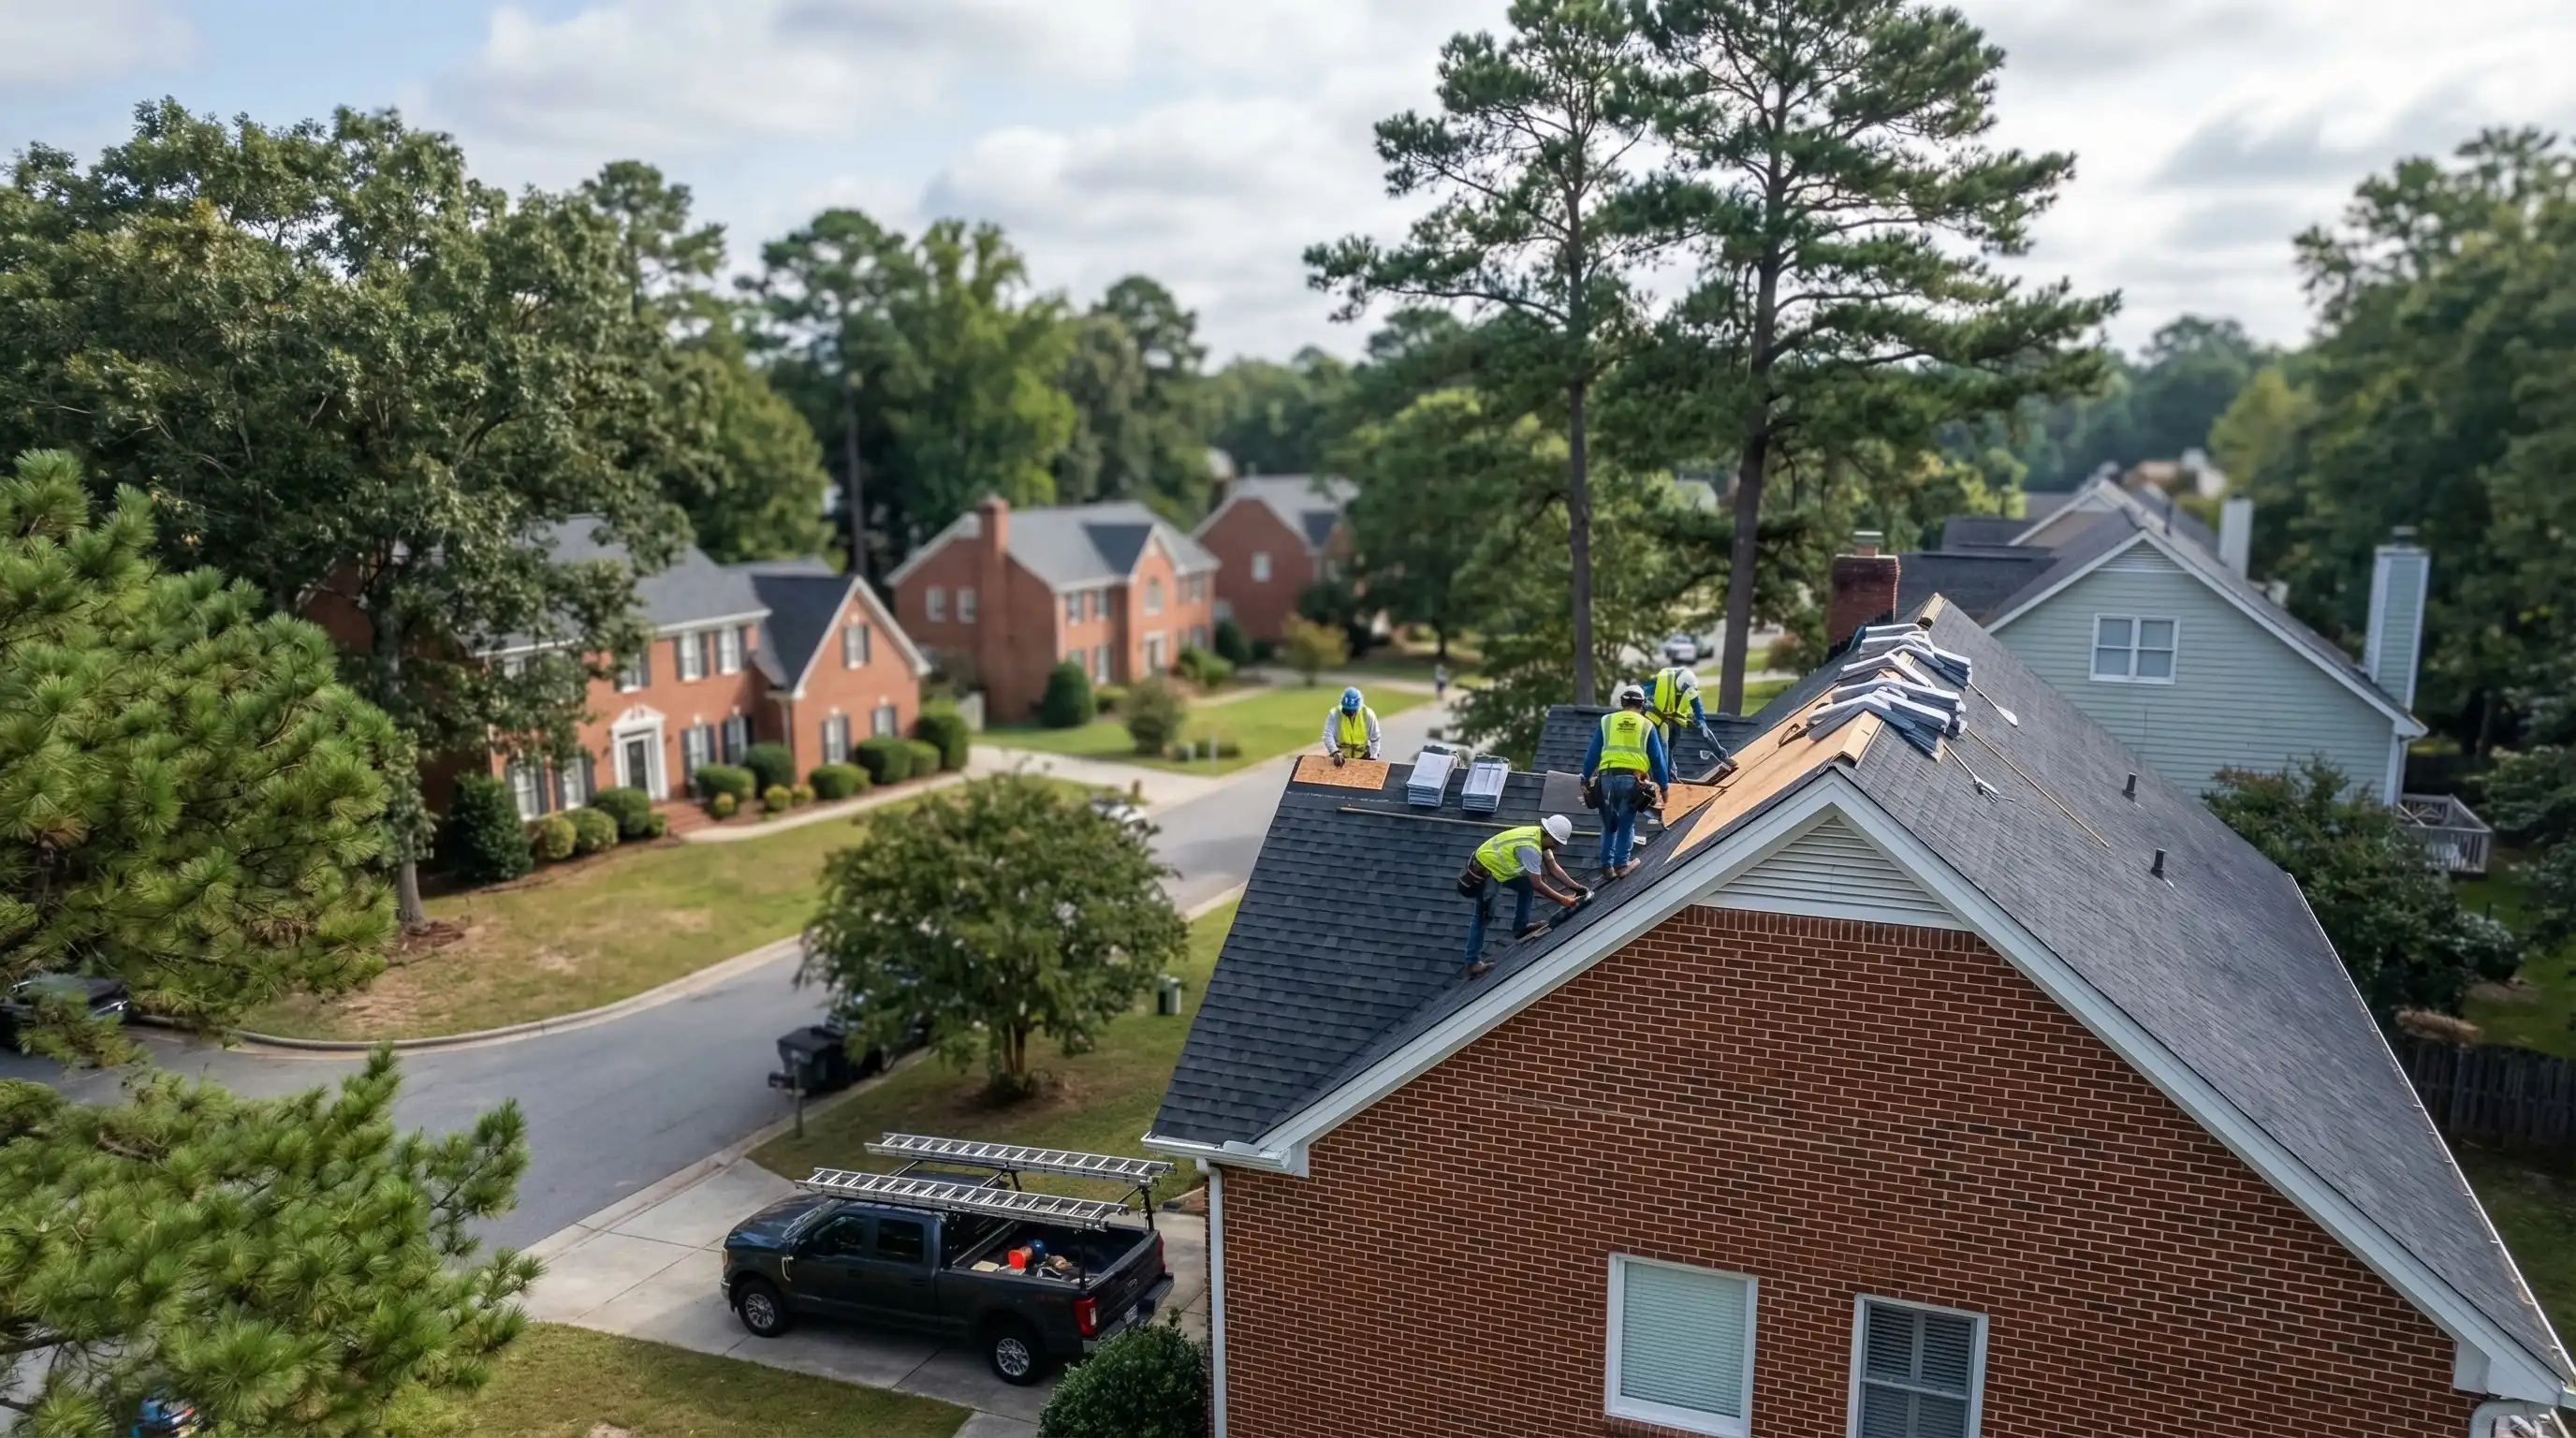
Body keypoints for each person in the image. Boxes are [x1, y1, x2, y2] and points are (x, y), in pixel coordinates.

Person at [1460, 814, 1587, 977]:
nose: (1556, 847)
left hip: (1502, 869)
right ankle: (1472, 963)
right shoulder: (1530, 848)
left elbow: (1554, 868)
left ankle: (1520, 927)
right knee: (1484, 917)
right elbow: (1538, 885)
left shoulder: (1541, 840)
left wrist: (1576, 887)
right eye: (1556, 842)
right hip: (1485, 870)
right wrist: (1564, 900)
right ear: (1547, 834)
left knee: (1526, 887)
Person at [1583, 682, 1669, 878]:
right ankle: (1621, 865)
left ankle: (1607, 867)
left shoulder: (1607, 721)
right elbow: (1657, 759)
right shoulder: (1647, 725)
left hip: (1606, 779)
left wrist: (1585, 776)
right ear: (1642, 705)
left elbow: (1593, 754)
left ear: (1622, 702)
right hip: (1631, 781)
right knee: (1626, 823)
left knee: (1609, 823)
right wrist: (1663, 787)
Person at [1322, 685, 1382, 763]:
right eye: (1347, 710)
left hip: (1362, 756)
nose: (1350, 713)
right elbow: (1327, 736)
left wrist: (1373, 757)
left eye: (1353, 710)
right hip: (1341, 758)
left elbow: (1375, 739)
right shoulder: (1335, 714)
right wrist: (1335, 752)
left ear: (1359, 707)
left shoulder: (1367, 714)